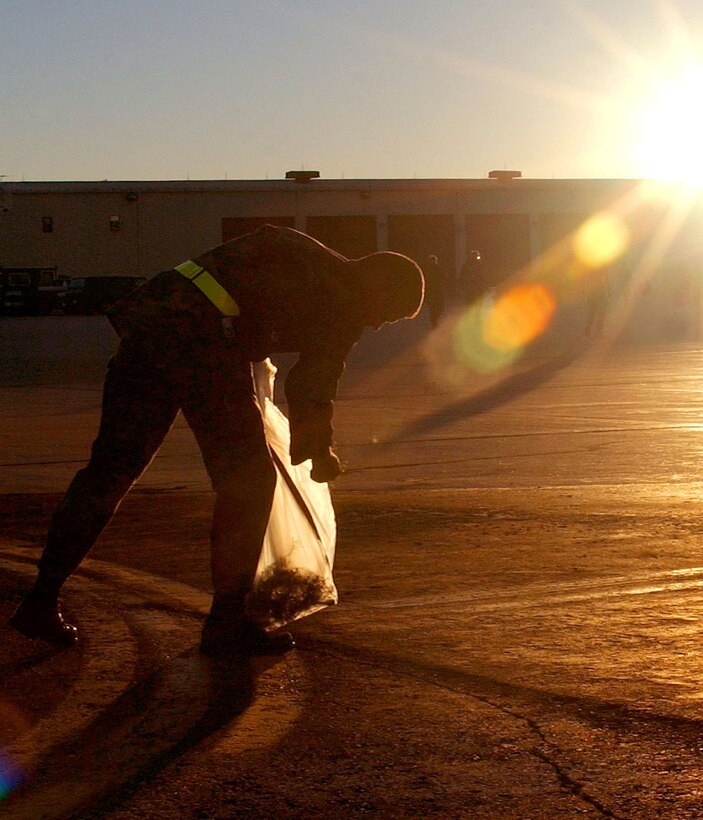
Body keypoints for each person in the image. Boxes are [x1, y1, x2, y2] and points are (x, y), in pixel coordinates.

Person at [9, 225, 425, 656]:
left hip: (151, 324)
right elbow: (313, 385)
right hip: (202, 346)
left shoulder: (295, 243)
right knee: (249, 481)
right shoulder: (345, 300)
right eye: (387, 313)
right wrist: (319, 453)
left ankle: (41, 598)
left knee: (112, 469)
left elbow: (240, 282)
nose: (376, 324)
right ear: (377, 287)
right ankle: (227, 622)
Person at [423, 255, 446, 329]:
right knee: (436, 306)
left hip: (434, 290)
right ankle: (434, 321)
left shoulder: (433, 269)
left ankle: (434, 320)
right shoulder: (435, 269)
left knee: (436, 307)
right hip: (434, 290)